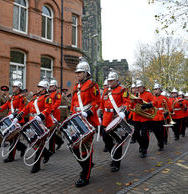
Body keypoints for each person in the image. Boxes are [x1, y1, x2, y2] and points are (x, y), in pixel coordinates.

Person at [70, 57, 100, 187]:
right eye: (76, 72)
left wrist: (88, 112)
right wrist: (71, 115)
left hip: (88, 120)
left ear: (87, 73)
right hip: (77, 120)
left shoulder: (93, 85)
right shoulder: (76, 86)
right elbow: (73, 103)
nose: (77, 75)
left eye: (80, 72)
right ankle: (87, 165)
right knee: (74, 147)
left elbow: (97, 101)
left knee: (85, 148)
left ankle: (85, 176)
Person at [13, 79, 54, 173]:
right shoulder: (34, 97)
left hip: (42, 122)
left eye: (41, 88)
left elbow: (48, 109)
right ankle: (46, 153)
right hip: (32, 122)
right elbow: (26, 109)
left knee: (39, 143)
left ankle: (37, 165)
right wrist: (18, 117)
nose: (38, 89)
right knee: (33, 142)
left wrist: (41, 116)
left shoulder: (47, 98)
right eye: (38, 87)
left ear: (45, 89)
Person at [0, 80, 27, 163]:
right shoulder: (12, 97)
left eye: (14, 87)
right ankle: (23, 147)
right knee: (10, 137)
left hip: (18, 120)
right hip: (11, 119)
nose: (13, 88)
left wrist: (14, 115)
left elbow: (22, 109)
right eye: (12, 87)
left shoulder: (22, 97)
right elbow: (5, 105)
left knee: (13, 138)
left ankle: (11, 157)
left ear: (19, 88)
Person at [100, 70, 129, 172]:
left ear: (117, 81)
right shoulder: (106, 90)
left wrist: (123, 112)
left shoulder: (122, 90)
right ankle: (113, 154)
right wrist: (101, 113)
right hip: (106, 118)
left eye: (112, 81)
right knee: (106, 139)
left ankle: (116, 162)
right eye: (109, 81)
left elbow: (127, 103)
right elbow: (102, 103)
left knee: (118, 140)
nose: (109, 82)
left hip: (117, 117)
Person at [128, 79, 156, 158]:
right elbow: (131, 105)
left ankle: (144, 150)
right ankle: (141, 145)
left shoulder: (148, 94)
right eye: (137, 87)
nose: (138, 89)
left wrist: (148, 105)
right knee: (136, 134)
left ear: (143, 87)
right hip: (137, 117)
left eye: (139, 87)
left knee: (144, 133)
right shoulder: (135, 95)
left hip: (145, 118)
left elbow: (154, 101)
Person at [152, 82, 170, 151]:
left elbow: (168, 106)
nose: (155, 91)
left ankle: (161, 143)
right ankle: (159, 141)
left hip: (162, 116)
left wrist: (166, 112)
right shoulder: (152, 97)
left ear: (160, 90)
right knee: (155, 131)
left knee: (161, 131)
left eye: (157, 89)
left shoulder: (164, 97)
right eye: (154, 89)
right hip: (154, 116)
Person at [48, 78, 64, 153]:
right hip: (49, 115)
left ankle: (51, 149)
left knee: (52, 132)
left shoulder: (57, 94)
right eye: (50, 86)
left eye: (51, 86)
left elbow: (57, 103)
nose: (50, 87)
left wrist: (51, 109)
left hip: (55, 115)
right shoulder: (48, 94)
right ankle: (59, 141)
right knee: (50, 132)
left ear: (55, 86)